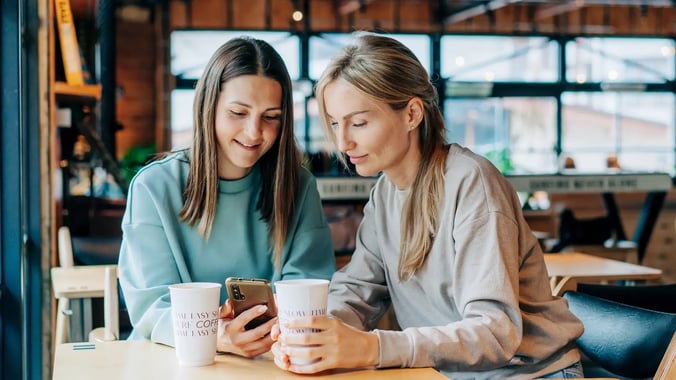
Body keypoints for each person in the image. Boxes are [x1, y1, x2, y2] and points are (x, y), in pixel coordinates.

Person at [271, 34, 584, 379]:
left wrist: (374, 347)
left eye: (359, 122)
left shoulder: (471, 183)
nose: (343, 141)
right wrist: (317, 331)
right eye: (334, 122)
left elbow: (495, 333)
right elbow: (358, 291)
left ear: (412, 114)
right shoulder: (385, 195)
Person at [118, 37, 336, 358]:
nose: (253, 132)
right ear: (210, 107)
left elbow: (308, 287)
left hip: (271, 358)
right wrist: (214, 337)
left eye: (271, 117)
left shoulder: (298, 185)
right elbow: (152, 307)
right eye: (238, 112)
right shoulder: (154, 185)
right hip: (171, 357)